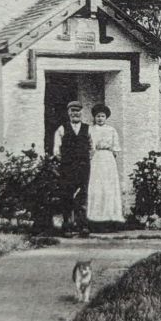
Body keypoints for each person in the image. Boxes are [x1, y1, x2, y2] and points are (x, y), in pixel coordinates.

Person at [52, 101, 92, 236]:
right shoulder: (62, 129)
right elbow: (56, 149)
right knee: (67, 194)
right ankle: (67, 225)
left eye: (78, 111)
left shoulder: (88, 129)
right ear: (68, 113)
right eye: (72, 111)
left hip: (83, 166)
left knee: (82, 194)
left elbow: (93, 147)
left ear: (81, 112)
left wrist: (86, 159)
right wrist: (64, 160)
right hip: (67, 167)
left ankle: (82, 225)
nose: (75, 113)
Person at [86, 103, 124, 230]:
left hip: (108, 159)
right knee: (97, 185)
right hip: (96, 158)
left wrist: (112, 154)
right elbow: (89, 145)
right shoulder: (90, 129)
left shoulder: (111, 130)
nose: (100, 118)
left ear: (106, 117)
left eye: (102, 116)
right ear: (94, 117)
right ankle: (96, 217)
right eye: (98, 116)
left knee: (109, 186)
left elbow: (115, 146)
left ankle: (111, 216)